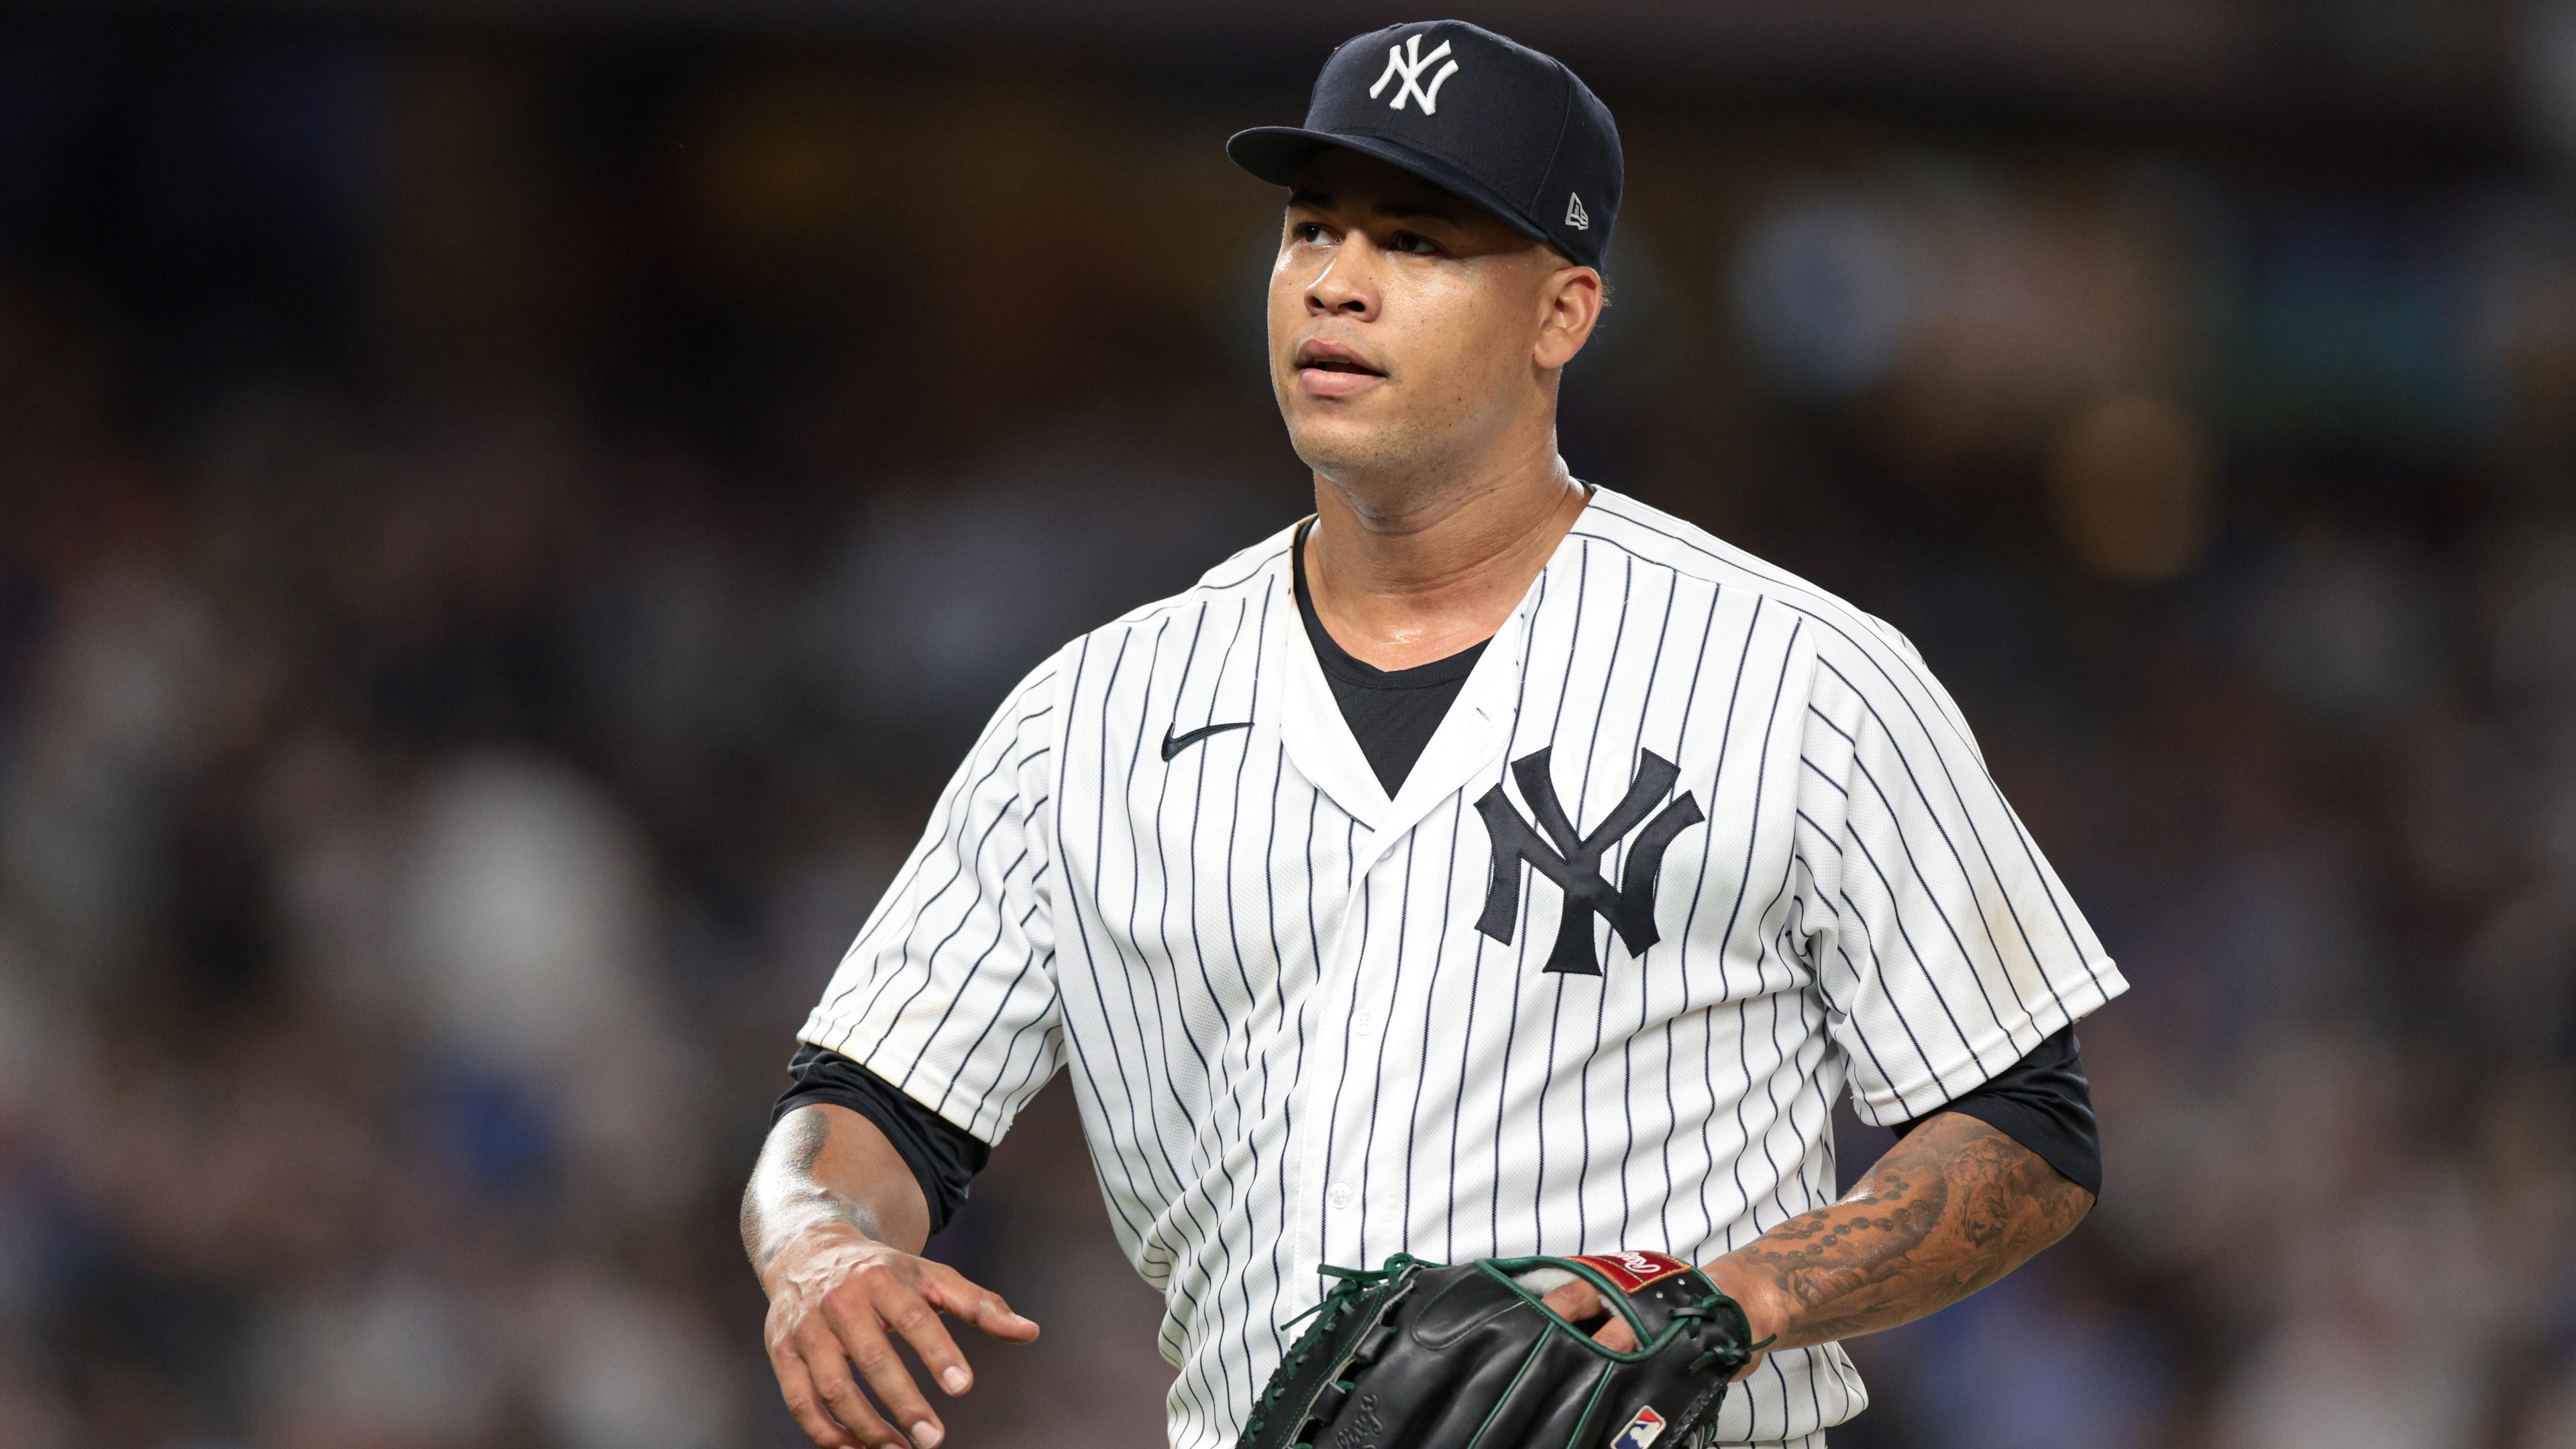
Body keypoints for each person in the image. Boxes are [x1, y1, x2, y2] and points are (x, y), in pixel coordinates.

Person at [739, 20, 2126, 1449]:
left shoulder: (1803, 674)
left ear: (1562, 314)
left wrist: (1729, 1300)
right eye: (1311, 230)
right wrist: (815, 1243)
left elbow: (2026, 1128)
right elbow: (862, 1110)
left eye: (1416, 242)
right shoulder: (1089, 715)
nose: (1337, 284)